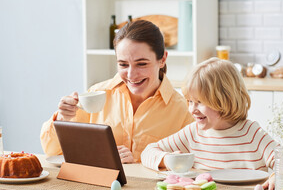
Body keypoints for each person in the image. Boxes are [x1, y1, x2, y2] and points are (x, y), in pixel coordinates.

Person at [141, 58, 283, 190]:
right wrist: (167, 160)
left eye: (199, 102)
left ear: (224, 100)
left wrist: (281, 176)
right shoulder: (192, 133)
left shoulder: (251, 134)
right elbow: (148, 151)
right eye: (190, 101)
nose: (192, 109)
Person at [40, 20, 194, 163]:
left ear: (162, 59)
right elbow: (52, 151)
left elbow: (189, 165)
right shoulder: (96, 94)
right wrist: (62, 118)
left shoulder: (183, 110)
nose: (131, 75)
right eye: (123, 64)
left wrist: (140, 161)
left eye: (141, 64)